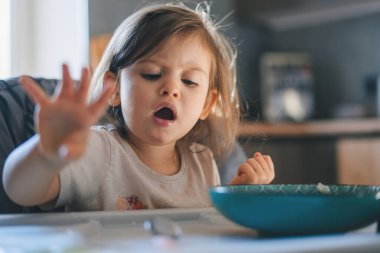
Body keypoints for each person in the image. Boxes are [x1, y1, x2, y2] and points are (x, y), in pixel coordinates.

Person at [3, 2, 274, 211]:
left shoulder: (202, 161)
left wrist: (238, 194)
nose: (172, 89)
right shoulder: (99, 150)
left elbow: (207, 233)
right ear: (114, 88)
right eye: (152, 74)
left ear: (207, 104)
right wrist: (46, 153)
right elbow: (21, 190)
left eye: (189, 81)